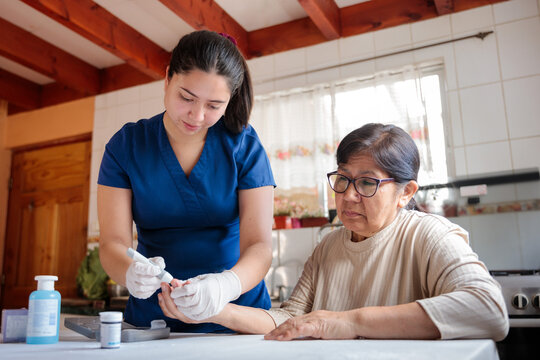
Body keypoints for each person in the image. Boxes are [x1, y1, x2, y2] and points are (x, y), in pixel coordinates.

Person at [159, 123, 509, 341]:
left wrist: (350, 322)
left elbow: (488, 308)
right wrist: (211, 309)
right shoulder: (328, 246)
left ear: (406, 193)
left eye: (368, 182)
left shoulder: (428, 236)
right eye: (342, 179)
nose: (349, 195)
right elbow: (288, 319)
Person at [97, 30, 275, 333]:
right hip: (153, 321)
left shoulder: (244, 146)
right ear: (167, 78)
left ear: (229, 100)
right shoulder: (126, 146)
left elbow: (259, 246)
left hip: (236, 313)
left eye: (214, 106)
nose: (197, 115)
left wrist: (226, 285)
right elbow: (112, 243)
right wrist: (129, 274)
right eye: (186, 97)